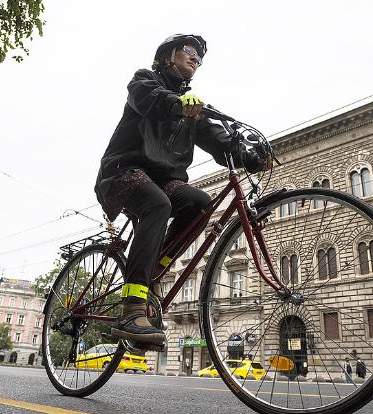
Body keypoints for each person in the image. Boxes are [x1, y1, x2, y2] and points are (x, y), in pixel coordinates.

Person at [95, 34, 269, 346]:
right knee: (158, 204)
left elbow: (218, 138)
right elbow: (150, 100)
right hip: (123, 170)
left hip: (162, 181)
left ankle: (153, 268)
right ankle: (131, 307)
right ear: (167, 56)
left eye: (199, 58)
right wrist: (177, 103)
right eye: (189, 51)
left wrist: (250, 155)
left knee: (201, 203)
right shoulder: (145, 80)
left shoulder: (194, 109)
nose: (195, 59)